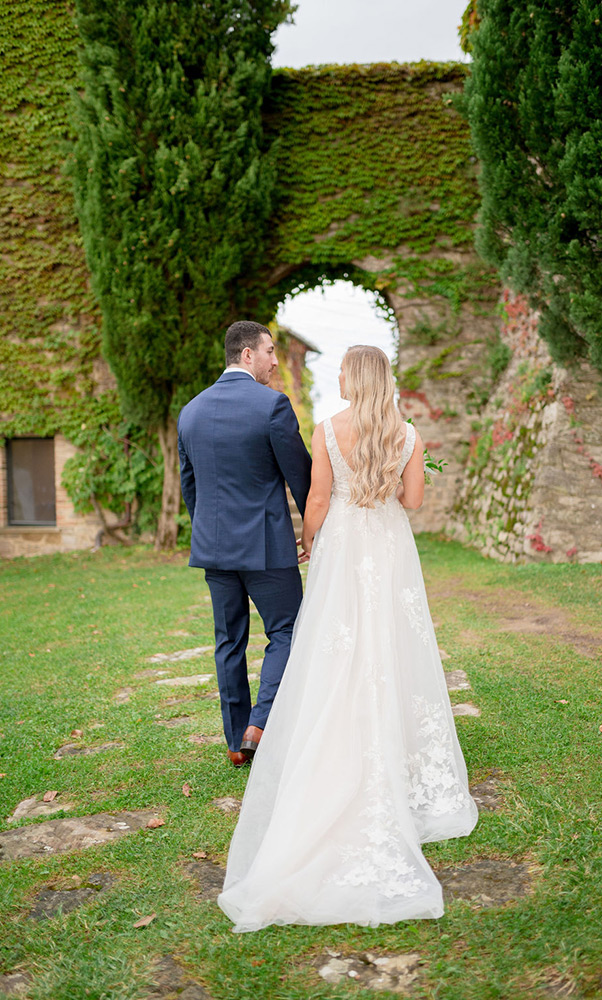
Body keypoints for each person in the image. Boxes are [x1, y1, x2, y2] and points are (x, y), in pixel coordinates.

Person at [218, 345, 478, 932]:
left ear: (354, 379)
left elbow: (314, 498)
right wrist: (402, 471)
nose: (334, 377)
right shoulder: (406, 432)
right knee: (394, 644)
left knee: (336, 648)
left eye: (340, 371)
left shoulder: (329, 428)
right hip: (387, 545)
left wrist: (311, 544)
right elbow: (411, 501)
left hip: (342, 547)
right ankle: (405, 757)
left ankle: (337, 738)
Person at [177, 320, 312, 767]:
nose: (276, 361)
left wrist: (210, 534)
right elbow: (302, 478)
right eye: (270, 351)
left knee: (228, 641)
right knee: (289, 631)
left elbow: (190, 488)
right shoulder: (272, 406)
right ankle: (261, 722)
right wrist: (316, 530)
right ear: (247, 354)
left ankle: (237, 740)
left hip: (214, 550)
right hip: (266, 548)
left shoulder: (190, 412)